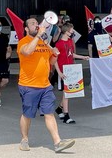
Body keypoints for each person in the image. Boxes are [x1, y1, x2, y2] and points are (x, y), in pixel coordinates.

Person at [17, 18, 75, 153]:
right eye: (32, 23)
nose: (36, 25)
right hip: (28, 85)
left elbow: (51, 60)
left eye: (37, 23)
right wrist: (38, 36)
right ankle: (24, 139)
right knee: (27, 114)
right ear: (26, 29)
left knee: (49, 113)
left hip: (45, 85)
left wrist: (55, 54)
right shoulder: (23, 42)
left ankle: (57, 142)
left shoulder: (44, 42)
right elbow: (27, 52)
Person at [54, 22, 89, 124]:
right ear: (66, 31)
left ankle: (60, 109)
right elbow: (54, 59)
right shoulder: (59, 44)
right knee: (67, 93)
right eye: (71, 30)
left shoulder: (70, 41)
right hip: (63, 71)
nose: (73, 31)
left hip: (71, 69)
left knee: (68, 92)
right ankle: (66, 115)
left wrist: (83, 57)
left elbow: (71, 54)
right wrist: (59, 72)